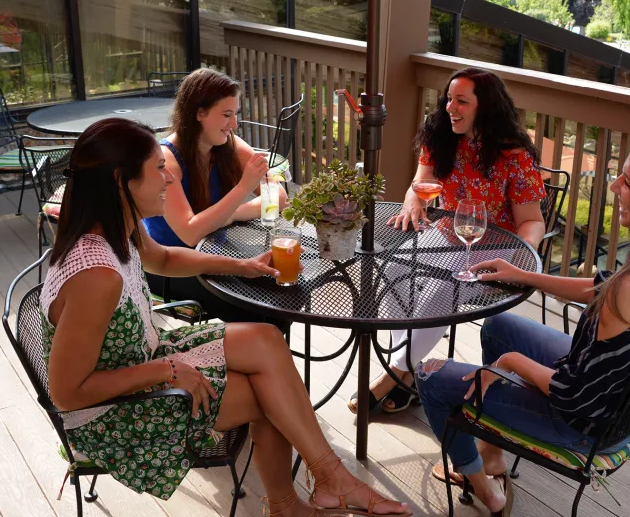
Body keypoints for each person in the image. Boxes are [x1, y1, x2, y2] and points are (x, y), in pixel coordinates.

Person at [41, 117, 410, 516]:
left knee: (267, 339)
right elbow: (67, 393)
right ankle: (305, 498)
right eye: (158, 168)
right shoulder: (96, 276)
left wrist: (244, 266)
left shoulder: (118, 227)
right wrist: (165, 370)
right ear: (121, 182)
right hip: (115, 413)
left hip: (144, 359)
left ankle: (323, 483)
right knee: (272, 396)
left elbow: (162, 257)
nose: (169, 179)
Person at [414, 126, 630, 514]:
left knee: (430, 375)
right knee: (500, 327)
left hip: (581, 422)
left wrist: (508, 364)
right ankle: (493, 454)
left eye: (628, 182)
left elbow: (572, 393)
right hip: (622, 404)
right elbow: (600, 288)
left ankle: (484, 487)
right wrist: (524, 275)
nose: (615, 187)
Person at [348, 67, 546, 416]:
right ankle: (408, 375)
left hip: (492, 245)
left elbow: (531, 221)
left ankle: (394, 373)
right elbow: (418, 185)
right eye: (449, 98)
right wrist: (413, 203)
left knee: (442, 289)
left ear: (485, 107)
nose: (450, 107)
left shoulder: (514, 157)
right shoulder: (440, 135)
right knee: (392, 269)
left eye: (461, 101)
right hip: (443, 232)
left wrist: (522, 258)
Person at [142, 68, 287, 325]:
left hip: (217, 254)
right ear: (199, 113)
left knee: (282, 292)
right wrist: (242, 189)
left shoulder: (228, 144)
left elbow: (278, 198)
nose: (234, 125)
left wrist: (229, 216)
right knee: (262, 311)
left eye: (235, 115)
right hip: (173, 269)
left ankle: (257, 361)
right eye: (226, 115)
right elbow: (189, 233)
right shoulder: (168, 160)